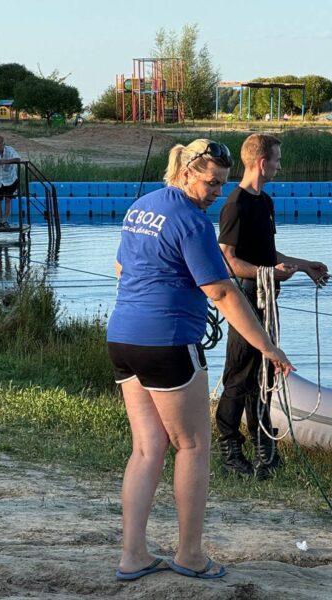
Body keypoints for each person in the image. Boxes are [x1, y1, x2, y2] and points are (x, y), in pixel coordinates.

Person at [106, 138, 294, 582]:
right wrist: (268, 346)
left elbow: (120, 269)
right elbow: (224, 292)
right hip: (168, 342)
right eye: (211, 183)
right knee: (192, 445)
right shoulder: (191, 222)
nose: (215, 192)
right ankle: (190, 555)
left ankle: (132, 555)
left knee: (147, 447)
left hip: (123, 337)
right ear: (188, 171)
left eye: (223, 184)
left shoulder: (142, 207)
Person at [216, 133, 329, 478]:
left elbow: (270, 256)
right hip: (245, 298)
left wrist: (305, 265)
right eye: (277, 160)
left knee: (263, 374)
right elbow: (229, 262)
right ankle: (230, 450)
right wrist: (268, 273)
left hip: (267, 297)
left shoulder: (264, 202)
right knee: (238, 376)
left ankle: (266, 451)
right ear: (263, 163)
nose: (280, 166)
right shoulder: (235, 204)